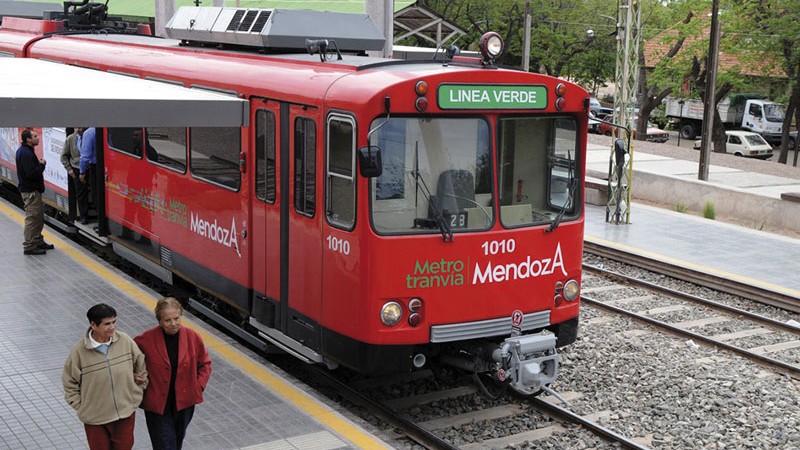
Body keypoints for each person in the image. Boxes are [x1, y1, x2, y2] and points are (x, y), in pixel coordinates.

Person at [62, 303, 148, 450]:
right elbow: (69, 382)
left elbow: (140, 364)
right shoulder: (79, 352)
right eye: (107, 324)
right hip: (95, 417)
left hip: (125, 412)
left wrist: (137, 389)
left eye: (114, 322)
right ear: (93, 325)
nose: (112, 327)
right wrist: (82, 407)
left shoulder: (125, 341)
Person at [135, 297, 212, 450]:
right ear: (160, 321)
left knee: (177, 441)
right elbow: (129, 363)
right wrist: (135, 376)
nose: (173, 324)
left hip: (184, 402)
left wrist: (198, 387)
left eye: (176, 318)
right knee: (165, 444)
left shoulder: (192, 337)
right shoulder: (144, 340)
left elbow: (205, 364)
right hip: (158, 403)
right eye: (167, 320)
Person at [15, 129, 53, 255]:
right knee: (32, 219)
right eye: (35, 136)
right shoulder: (26, 153)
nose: (38, 138)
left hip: (33, 190)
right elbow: (31, 173)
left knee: (38, 217)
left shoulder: (26, 151)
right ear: (28, 140)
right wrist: (42, 165)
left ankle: (37, 240)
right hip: (30, 192)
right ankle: (29, 246)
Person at [60, 127, 86, 222]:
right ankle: (83, 216)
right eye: (76, 128)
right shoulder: (70, 139)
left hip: (88, 168)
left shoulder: (87, 137)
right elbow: (63, 156)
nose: (78, 130)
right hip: (76, 168)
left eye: (80, 127)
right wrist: (69, 170)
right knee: (80, 193)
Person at [78, 126, 96, 225]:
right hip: (101, 166)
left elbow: (85, 156)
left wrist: (82, 172)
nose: (77, 130)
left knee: (95, 195)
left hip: (93, 167)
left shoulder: (89, 133)